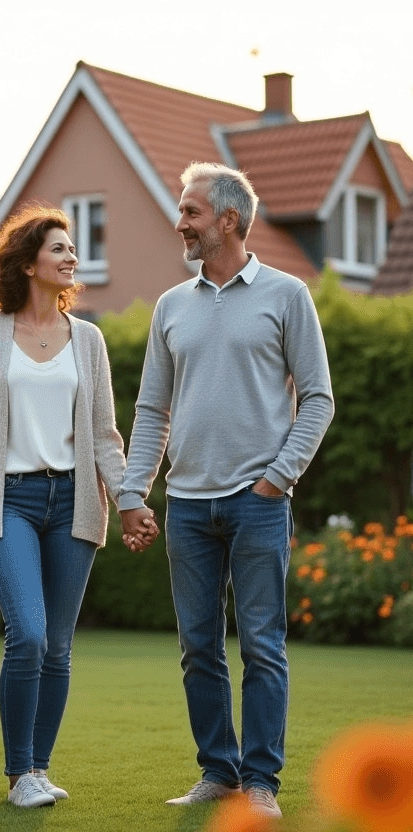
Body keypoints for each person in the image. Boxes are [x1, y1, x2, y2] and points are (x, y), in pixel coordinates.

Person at [119, 162, 334, 819]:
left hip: (257, 503)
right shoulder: (170, 306)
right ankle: (219, 771)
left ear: (228, 220)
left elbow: (318, 400)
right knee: (198, 649)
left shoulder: (287, 295)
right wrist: (135, 493)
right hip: (186, 505)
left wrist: (278, 478)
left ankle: (261, 781)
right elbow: (152, 409)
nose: (179, 222)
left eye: (190, 211)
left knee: (263, 646)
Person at [0, 205, 157, 809]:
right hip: (9, 501)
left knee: (60, 648)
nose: (73, 258)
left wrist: (128, 500)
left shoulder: (88, 340)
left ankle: (39, 769)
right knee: (30, 636)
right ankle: (18, 775)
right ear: (26, 263)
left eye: (73, 250)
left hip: (72, 503)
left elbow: (103, 436)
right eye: (60, 250)